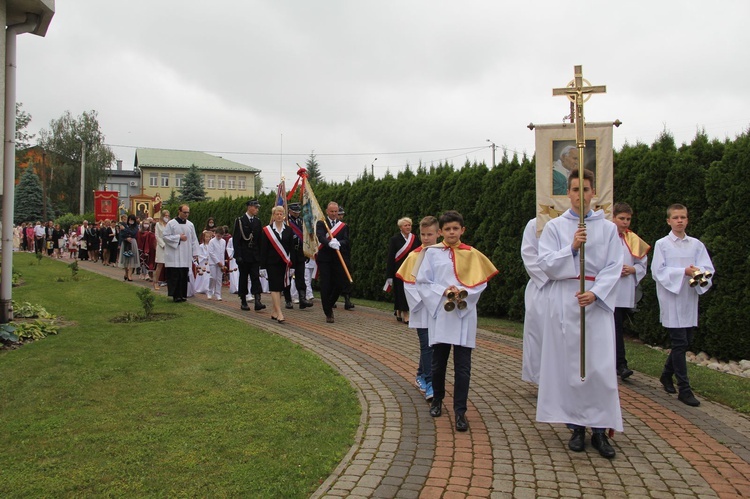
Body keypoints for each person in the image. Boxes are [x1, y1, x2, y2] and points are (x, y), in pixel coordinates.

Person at [536, 168, 623, 459]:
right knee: (571, 366)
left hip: (595, 303)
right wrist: (571, 249)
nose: (579, 196)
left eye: (585, 189)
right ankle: (575, 427)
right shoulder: (555, 227)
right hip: (566, 300)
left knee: (598, 367)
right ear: (568, 193)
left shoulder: (609, 228)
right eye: (574, 190)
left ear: (593, 193)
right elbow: (546, 264)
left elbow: (614, 266)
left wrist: (597, 293)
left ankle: (600, 430)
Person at [415, 210, 498, 432]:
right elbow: (423, 282)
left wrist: (462, 292)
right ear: (440, 231)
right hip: (442, 314)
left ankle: (460, 411)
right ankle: (438, 401)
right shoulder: (431, 254)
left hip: (464, 315)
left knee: (463, 368)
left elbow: (480, 284)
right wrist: (444, 291)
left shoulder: (472, 254)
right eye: (447, 229)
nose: (451, 233)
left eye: (455, 229)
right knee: (438, 363)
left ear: (463, 230)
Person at [652, 204, 714, 407]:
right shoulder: (662, 244)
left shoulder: (696, 244)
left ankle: (666, 375)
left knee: (684, 341)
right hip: (671, 298)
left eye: (683, 217)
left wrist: (698, 272)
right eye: (676, 217)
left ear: (687, 220)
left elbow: (707, 268)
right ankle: (684, 389)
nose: (680, 220)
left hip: (688, 298)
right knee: (679, 343)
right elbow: (658, 272)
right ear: (668, 221)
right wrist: (683, 272)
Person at [396, 215, 440, 402]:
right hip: (423, 309)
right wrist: (430, 299)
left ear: (438, 233)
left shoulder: (443, 254)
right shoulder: (414, 256)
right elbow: (409, 285)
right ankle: (430, 382)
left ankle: (421, 374)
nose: (426, 238)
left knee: (432, 346)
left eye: (430, 234)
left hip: (439, 309)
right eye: (423, 234)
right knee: (427, 345)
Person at [611, 203, 650, 380]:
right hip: (606, 290)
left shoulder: (633, 239)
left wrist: (632, 270)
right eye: (622, 218)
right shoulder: (605, 236)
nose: (625, 222)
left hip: (623, 290)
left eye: (628, 219)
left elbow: (642, 264)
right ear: (613, 218)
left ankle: (620, 364)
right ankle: (618, 364)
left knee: (618, 327)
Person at [520, 217, 549, 385]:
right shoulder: (535, 224)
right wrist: (553, 276)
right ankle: (540, 378)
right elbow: (529, 254)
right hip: (542, 286)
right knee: (538, 334)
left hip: (569, 287)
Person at [316, 201, 350, 323]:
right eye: (332, 211)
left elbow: (347, 241)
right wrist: (329, 243)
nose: (334, 214)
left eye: (336, 212)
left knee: (339, 284)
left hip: (337, 259)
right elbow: (320, 237)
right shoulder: (321, 223)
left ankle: (329, 304)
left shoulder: (343, 226)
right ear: (327, 211)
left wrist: (339, 243)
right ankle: (328, 312)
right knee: (325, 285)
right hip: (325, 258)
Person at [260, 206, 295, 323]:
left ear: (284, 215)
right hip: (271, 263)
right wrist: (262, 267)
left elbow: (291, 249)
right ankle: (280, 313)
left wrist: (292, 266)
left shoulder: (289, 230)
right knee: (274, 287)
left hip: (284, 263)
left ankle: (274, 311)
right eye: (277, 214)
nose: (279, 216)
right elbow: (263, 249)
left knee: (280, 287)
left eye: (281, 214)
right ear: (273, 216)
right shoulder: (267, 230)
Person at [162, 204, 200, 302]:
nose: (186, 214)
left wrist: (195, 253)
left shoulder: (190, 225)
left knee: (183, 275)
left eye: (188, 212)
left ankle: (183, 295)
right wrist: (178, 237)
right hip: (174, 254)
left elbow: (194, 239)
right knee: (175, 276)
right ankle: (176, 295)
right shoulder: (171, 223)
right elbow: (165, 237)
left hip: (185, 254)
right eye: (184, 212)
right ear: (179, 211)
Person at [233, 200, 265, 311]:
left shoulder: (257, 222)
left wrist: (261, 256)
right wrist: (237, 255)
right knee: (243, 278)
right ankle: (243, 300)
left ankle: (257, 300)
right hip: (244, 255)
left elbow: (260, 240)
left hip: (254, 255)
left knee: (255, 277)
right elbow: (236, 240)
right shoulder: (240, 221)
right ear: (249, 207)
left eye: (257, 208)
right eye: (255, 207)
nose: (257, 209)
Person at [387, 217, 421, 323]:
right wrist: (389, 275)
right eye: (405, 225)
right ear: (400, 227)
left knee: (409, 291)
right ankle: (405, 314)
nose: (408, 227)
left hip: (411, 270)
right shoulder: (394, 239)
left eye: (409, 225)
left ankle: (399, 310)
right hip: (399, 270)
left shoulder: (415, 239)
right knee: (400, 292)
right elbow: (391, 257)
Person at [284, 203, 313, 309]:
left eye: (298, 212)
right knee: (288, 277)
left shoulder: (301, 221)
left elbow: (306, 237)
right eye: (294, 211)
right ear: (290, 211)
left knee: (300, 276)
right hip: (289, 253)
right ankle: (288, 300)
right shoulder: (285, 222)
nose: (297, 213)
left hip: (300, 252)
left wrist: (307, 252)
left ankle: (302, 299)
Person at [337, 206, 355, 310]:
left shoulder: (344, 226)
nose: (340, 216)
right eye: (339, 214)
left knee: (346, 277)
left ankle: (347, 300)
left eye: (341, 214)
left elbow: (347, 240)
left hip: (344, 253)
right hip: (333, 254)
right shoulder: (329, 226)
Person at [207, 227, 227, 301]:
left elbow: (222, 253)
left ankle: (218, 294)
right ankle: (209, 291)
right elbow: (211, 253)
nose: (219, 237)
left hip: (221, 263)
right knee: (213, 277)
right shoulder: (212, 241)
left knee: (219, 279)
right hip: (213, 262)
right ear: (215, 234)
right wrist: (217, 262)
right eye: (218, 235)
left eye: (221, 236)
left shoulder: (223, 241)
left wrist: (222, 264)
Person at [118, 214, 140, 281]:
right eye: (129, 220)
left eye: (132, 220)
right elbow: (121, 234)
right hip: (125, 242)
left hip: (132, 242)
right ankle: (126, 273)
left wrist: (125, 229)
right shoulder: (124, 225)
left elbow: (133, 233)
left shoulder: (136, 227)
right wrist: (126, 238)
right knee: (125, 258)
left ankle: (130, 275)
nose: (131, 221)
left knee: (132, 259)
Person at [154, 209, 169, 290]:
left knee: (169, 265)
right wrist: (163, 245)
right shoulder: (158, 224)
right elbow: (157, 236)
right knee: (160, 265)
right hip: (161, 247)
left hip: (169, 247)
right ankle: (156, 281)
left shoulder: (169, 224)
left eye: (167, 216)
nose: (166, 217)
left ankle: (168, 282)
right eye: (165, 216)